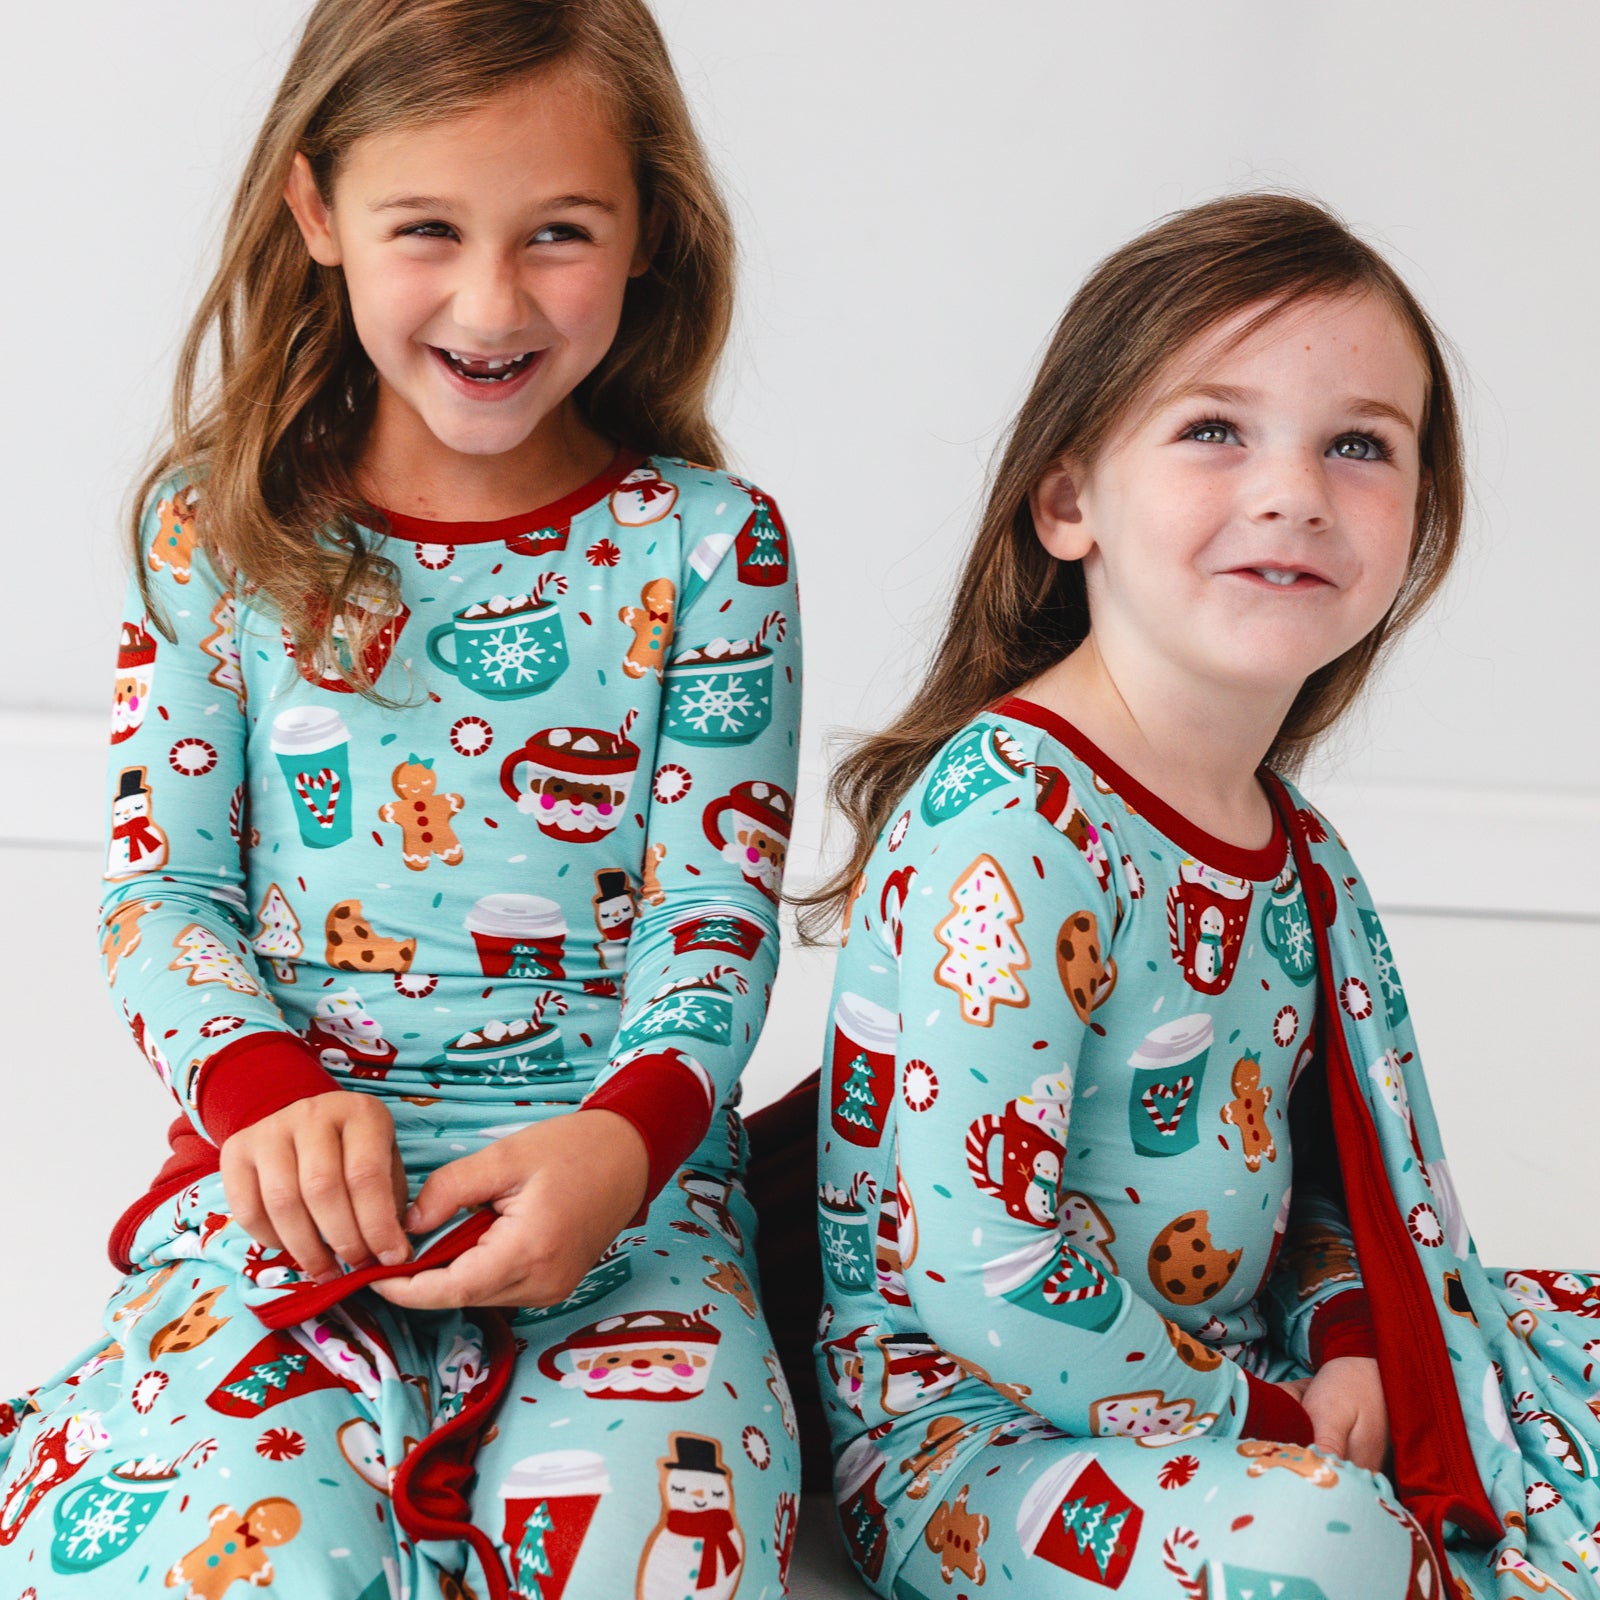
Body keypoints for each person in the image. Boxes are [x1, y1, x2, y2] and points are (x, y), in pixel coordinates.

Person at [0, 3, 802, 1596]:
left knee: (650, 1549)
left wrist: (622, 1151)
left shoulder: (712, 547)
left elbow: (717, 911)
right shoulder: (214, 532)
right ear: (317, 212)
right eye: (425, 228)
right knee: (245, 1549)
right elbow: (165, 891)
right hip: (286, 1191)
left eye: (558, 233)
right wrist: (265, 1097)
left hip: (617, 1199)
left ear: (645, 225)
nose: (491, 301)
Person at [802, 194, 1597, 1598]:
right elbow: (979, 1267)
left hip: (1237, 1364)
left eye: (1360, 444)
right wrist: (1278, 1427)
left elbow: (1314, 1174)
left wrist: (1352, 1334)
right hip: (981, 1435)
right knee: (1326, 1542)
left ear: (1415, 525)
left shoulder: (1294, 848)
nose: (1293, 488)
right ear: (1068, 503)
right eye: (1214, 428)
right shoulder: (1015, 826)